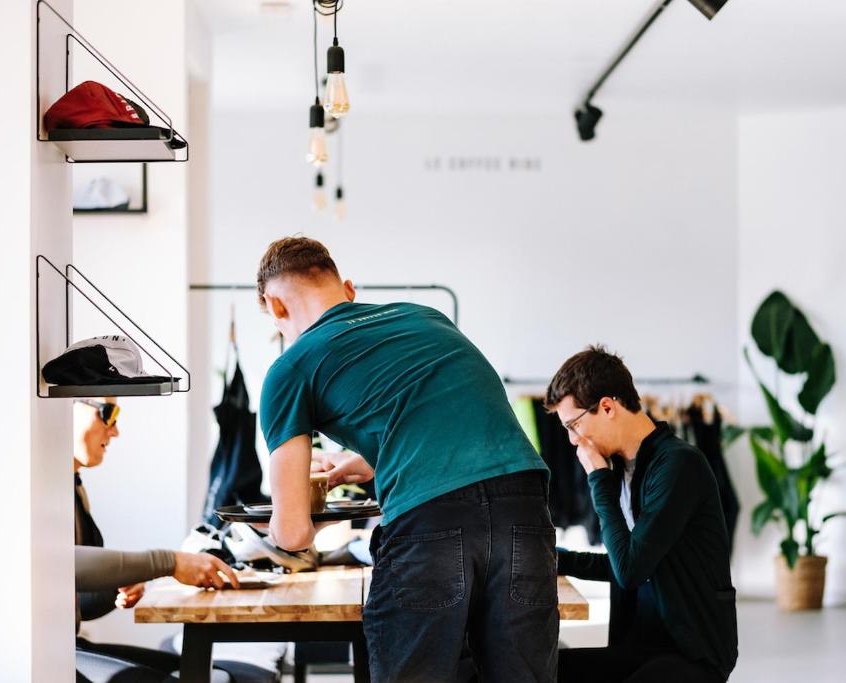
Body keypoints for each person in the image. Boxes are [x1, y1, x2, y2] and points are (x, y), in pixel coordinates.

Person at [255, 236, 557, 682]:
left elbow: (294, 531)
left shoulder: (290, 369)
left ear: (275, 306)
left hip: (432, 525)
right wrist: (360, 464)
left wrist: (293, 514)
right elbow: (452, 434)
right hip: (524, 506)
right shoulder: (425, 317)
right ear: (348, 290)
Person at [545, 347, 738, 683]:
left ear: (607, 406)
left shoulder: (678, 465)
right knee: (541, 672)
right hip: (640, 645)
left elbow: (631, 571)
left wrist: (598, 481)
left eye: (574, 426)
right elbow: (624, 562)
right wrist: (550, 558)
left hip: (691, 652)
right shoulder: (622, 470)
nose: (573, 441)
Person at [72, 398, 244, 683]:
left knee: (216, 677)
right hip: (44, 656)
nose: (115, 431)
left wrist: (118, 582)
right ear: (66, 406)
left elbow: (81, 604)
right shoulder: (39, 489)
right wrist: (168, 563)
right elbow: (60, 563)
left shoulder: (74, 488)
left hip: (70, 648)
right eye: (108, 413)